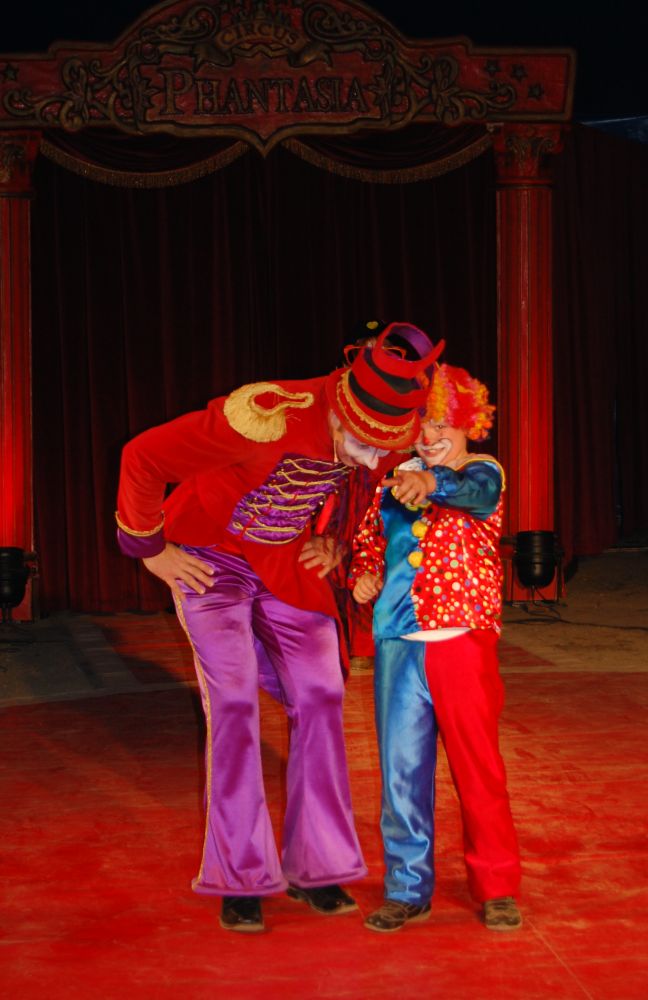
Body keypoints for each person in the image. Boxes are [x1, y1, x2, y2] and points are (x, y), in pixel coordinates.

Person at [115, 322, 443, 933]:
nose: (371, 458)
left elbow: (372, 498)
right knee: (234, 702)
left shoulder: (386, 434)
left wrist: (338, 542)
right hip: (209, 556)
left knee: (321, 692)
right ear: (339, 410)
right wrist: (150, 548)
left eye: (382, 448)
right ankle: (240, 876)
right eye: (361, 443)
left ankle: (315, 867)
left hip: (286, 559)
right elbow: (143, 456)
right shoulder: (264, 415)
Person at [349, 362, 522, 933]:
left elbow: (475, 493)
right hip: (399, 646)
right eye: (420, 425)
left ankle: (496, 886)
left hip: (461, 644)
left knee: (478, 770)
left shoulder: (482, 473)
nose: (429, 437)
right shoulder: (392, 482)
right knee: (400, 773)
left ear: (470, 423)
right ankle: (406, 888)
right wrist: (364, 575)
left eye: (442, 424)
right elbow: (370, 544)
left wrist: (432, 483)